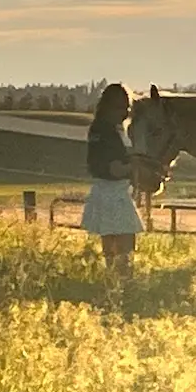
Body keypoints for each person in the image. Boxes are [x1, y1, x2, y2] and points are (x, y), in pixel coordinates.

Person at [83, 82, 145, 277]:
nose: (125, 112)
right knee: (125, 244)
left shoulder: (102, 129)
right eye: (121, 107)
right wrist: (135, 166)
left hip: (107, 191)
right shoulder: (107, 132)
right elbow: (113, 168)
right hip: (113, 192)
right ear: (110, 106)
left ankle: (113, 279)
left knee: (110, 244)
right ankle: (123, 279)